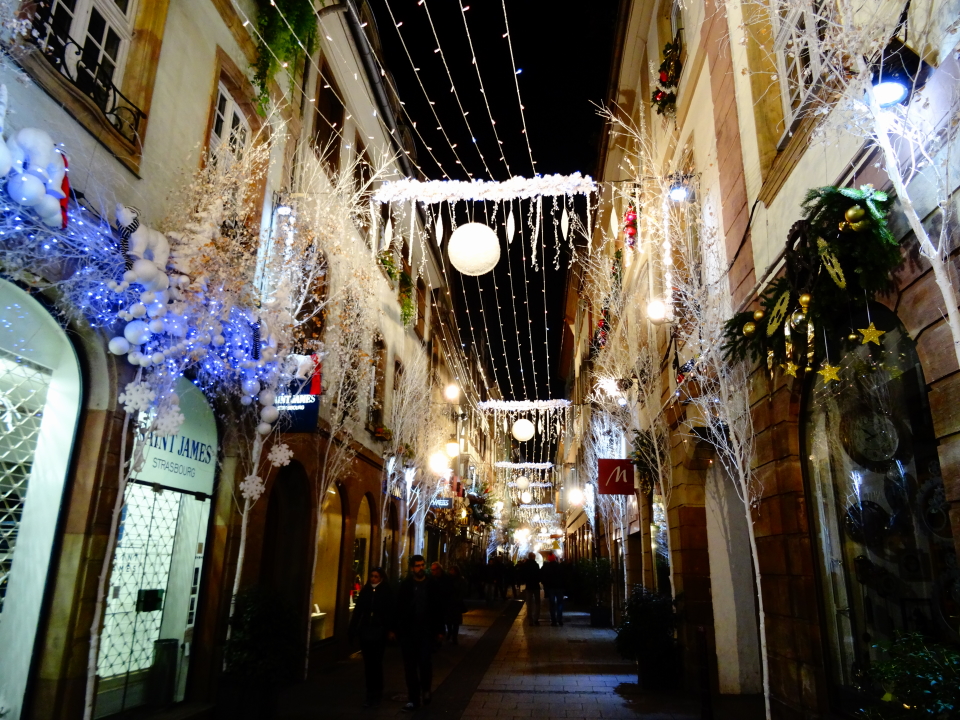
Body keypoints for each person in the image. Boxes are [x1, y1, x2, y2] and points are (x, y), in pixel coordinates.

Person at [393, 555, 445, 711]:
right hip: (409, 633)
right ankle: (413, 698)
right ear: (412, 568)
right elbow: (399, 609)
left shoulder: (432, 585)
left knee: (425, 663)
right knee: (410, 667)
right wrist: (397, 630)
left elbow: (438, 609)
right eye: (417, 565)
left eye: (422, 565)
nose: (420, 568)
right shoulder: (406, 586)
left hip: (426, 632)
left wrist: (439, 630)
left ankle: (426, 690)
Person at [348, 567, 393, 707]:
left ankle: (377, 690)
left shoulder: (386, 591)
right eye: (372, 576)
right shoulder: (366, 591)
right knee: (368, 663)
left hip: (379, 631)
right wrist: (353, 628)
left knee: (377, 662)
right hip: (366, 630)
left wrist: (390, 629)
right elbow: (358, 611)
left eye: (376, 576)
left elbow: (390, 612)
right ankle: (370, 691)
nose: (373, 579)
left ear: (381, 578)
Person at [540, 554, 565, 626]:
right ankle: (559, 619)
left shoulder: (546, 567)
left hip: (550, 588)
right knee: (560, 604)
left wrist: (546, 586)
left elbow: (543, 578)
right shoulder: (560, 567)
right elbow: (564, 577)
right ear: (555, 559)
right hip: (559, 587)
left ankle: (553, 620)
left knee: (552, 604)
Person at [446, 565, 468, 644]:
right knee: (448, 620)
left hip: (456, 603)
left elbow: (463, 590)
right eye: (450, 570)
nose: (451, 571)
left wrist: (459, 599)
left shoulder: (460, 580)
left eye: (453, 570)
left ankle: (454, 637)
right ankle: (450, 633)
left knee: (455, 622)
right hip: (449, 603)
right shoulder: (448, 579)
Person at [520, 552, 541, 626]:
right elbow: (539, 575)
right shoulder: (536, 565)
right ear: (533, 557)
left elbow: (522, 575)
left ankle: (530, 619)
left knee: (529, 603)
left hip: (529, 586)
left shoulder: (525, 565)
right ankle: (536, 619)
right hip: (536, 586)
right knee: (537, 602)